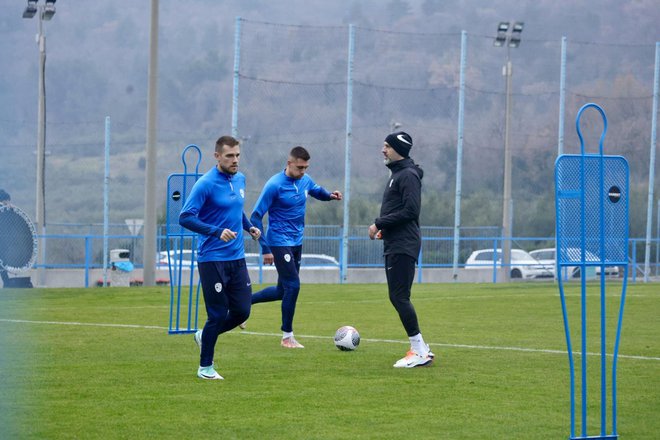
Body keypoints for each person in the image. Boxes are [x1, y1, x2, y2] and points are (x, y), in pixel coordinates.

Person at [179, 135, 261, 380]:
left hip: (236, 258)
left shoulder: (241, 179)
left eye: (237, 155)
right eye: (229, 156)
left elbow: (236, 209)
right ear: (217, 156)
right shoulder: (205, 184)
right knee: (216, 314)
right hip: (212, 258)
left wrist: (249, 227)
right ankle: (205, 368)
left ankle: (204, 335)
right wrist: (216, 231)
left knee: (242, 311)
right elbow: (185, 217)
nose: (235, 160)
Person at [248, 146, 342, 348]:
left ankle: (244, 302)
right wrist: (265, 247)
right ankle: (287, 336)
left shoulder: (305, 180)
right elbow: (255, 215)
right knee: (294, 285)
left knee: (283, 291)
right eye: (300, 167)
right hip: (278, 242)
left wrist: (330, 195)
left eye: (306, 167)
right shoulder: (274, 185)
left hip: (296, 242)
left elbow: (316, 191)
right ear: (289, 163)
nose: (303, 171)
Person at [368, 132, 434, 368]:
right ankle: (422, 348)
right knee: (398, 296)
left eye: (386, 146)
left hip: (403, 244)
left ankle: (418, 351)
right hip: (397, 241)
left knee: (398, 296)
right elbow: (401, 211)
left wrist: (379, 223)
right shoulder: (398, 174)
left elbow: (411, 211)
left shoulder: (407, 175)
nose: (382, 150)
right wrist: (388, 229)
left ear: (398, 149)